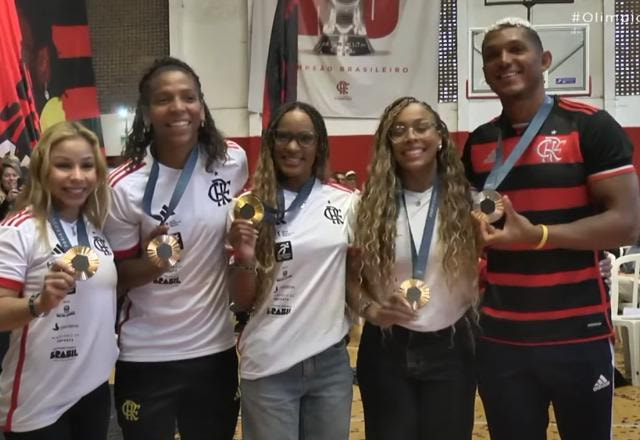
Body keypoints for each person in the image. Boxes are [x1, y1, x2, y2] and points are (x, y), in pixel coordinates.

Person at [463, 18, 640, 440]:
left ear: (544, 59)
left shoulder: (590, 127)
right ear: (484, 71)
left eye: (515, 49)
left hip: (578, 334)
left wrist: (539, 236)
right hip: (502, 338)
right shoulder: (479, 142)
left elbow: (627, 223)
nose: (504, 60)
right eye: (492, 55)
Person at [104, 57, 247, 439]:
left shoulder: (231, 162)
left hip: (213, 350)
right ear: (147, 114)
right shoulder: (122, 186)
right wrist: (151, 265)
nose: (178, 108)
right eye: (164, 99)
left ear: (202, 108)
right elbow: (114, 279)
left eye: (188, 97)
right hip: (147, 352)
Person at [351, 96, 479, 440]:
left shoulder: (469, 205)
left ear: (440, 137)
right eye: (399, 130)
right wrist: (373, 311)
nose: (411, 137)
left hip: (452, 345)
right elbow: (349, 278)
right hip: (386, 348)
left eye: (422, 127)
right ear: (387, 143)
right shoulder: (366, 206)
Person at [228, 101, 357, 440]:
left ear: (319, 145)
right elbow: (241, 301)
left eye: (304, 138)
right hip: (269, 364)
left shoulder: (345, 202)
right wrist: (244, 257)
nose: (293, 147)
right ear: (271, 143)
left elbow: (356, 277)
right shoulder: (246, 205)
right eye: (283, 137)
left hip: (329, 365)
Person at [0, 121, 118, 439]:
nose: (77, 176)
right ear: (42, 170)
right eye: (63, 165)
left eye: (87, 166)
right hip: (38, 400)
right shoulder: (19, 229)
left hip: (92, 389)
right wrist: (39, 303)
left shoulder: (95, 228)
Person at [0, 157, 22, 221]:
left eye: (14, 175)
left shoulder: (24, 192)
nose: (11, 178)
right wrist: (7, 201)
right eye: (7, 175)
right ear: (1, 179)